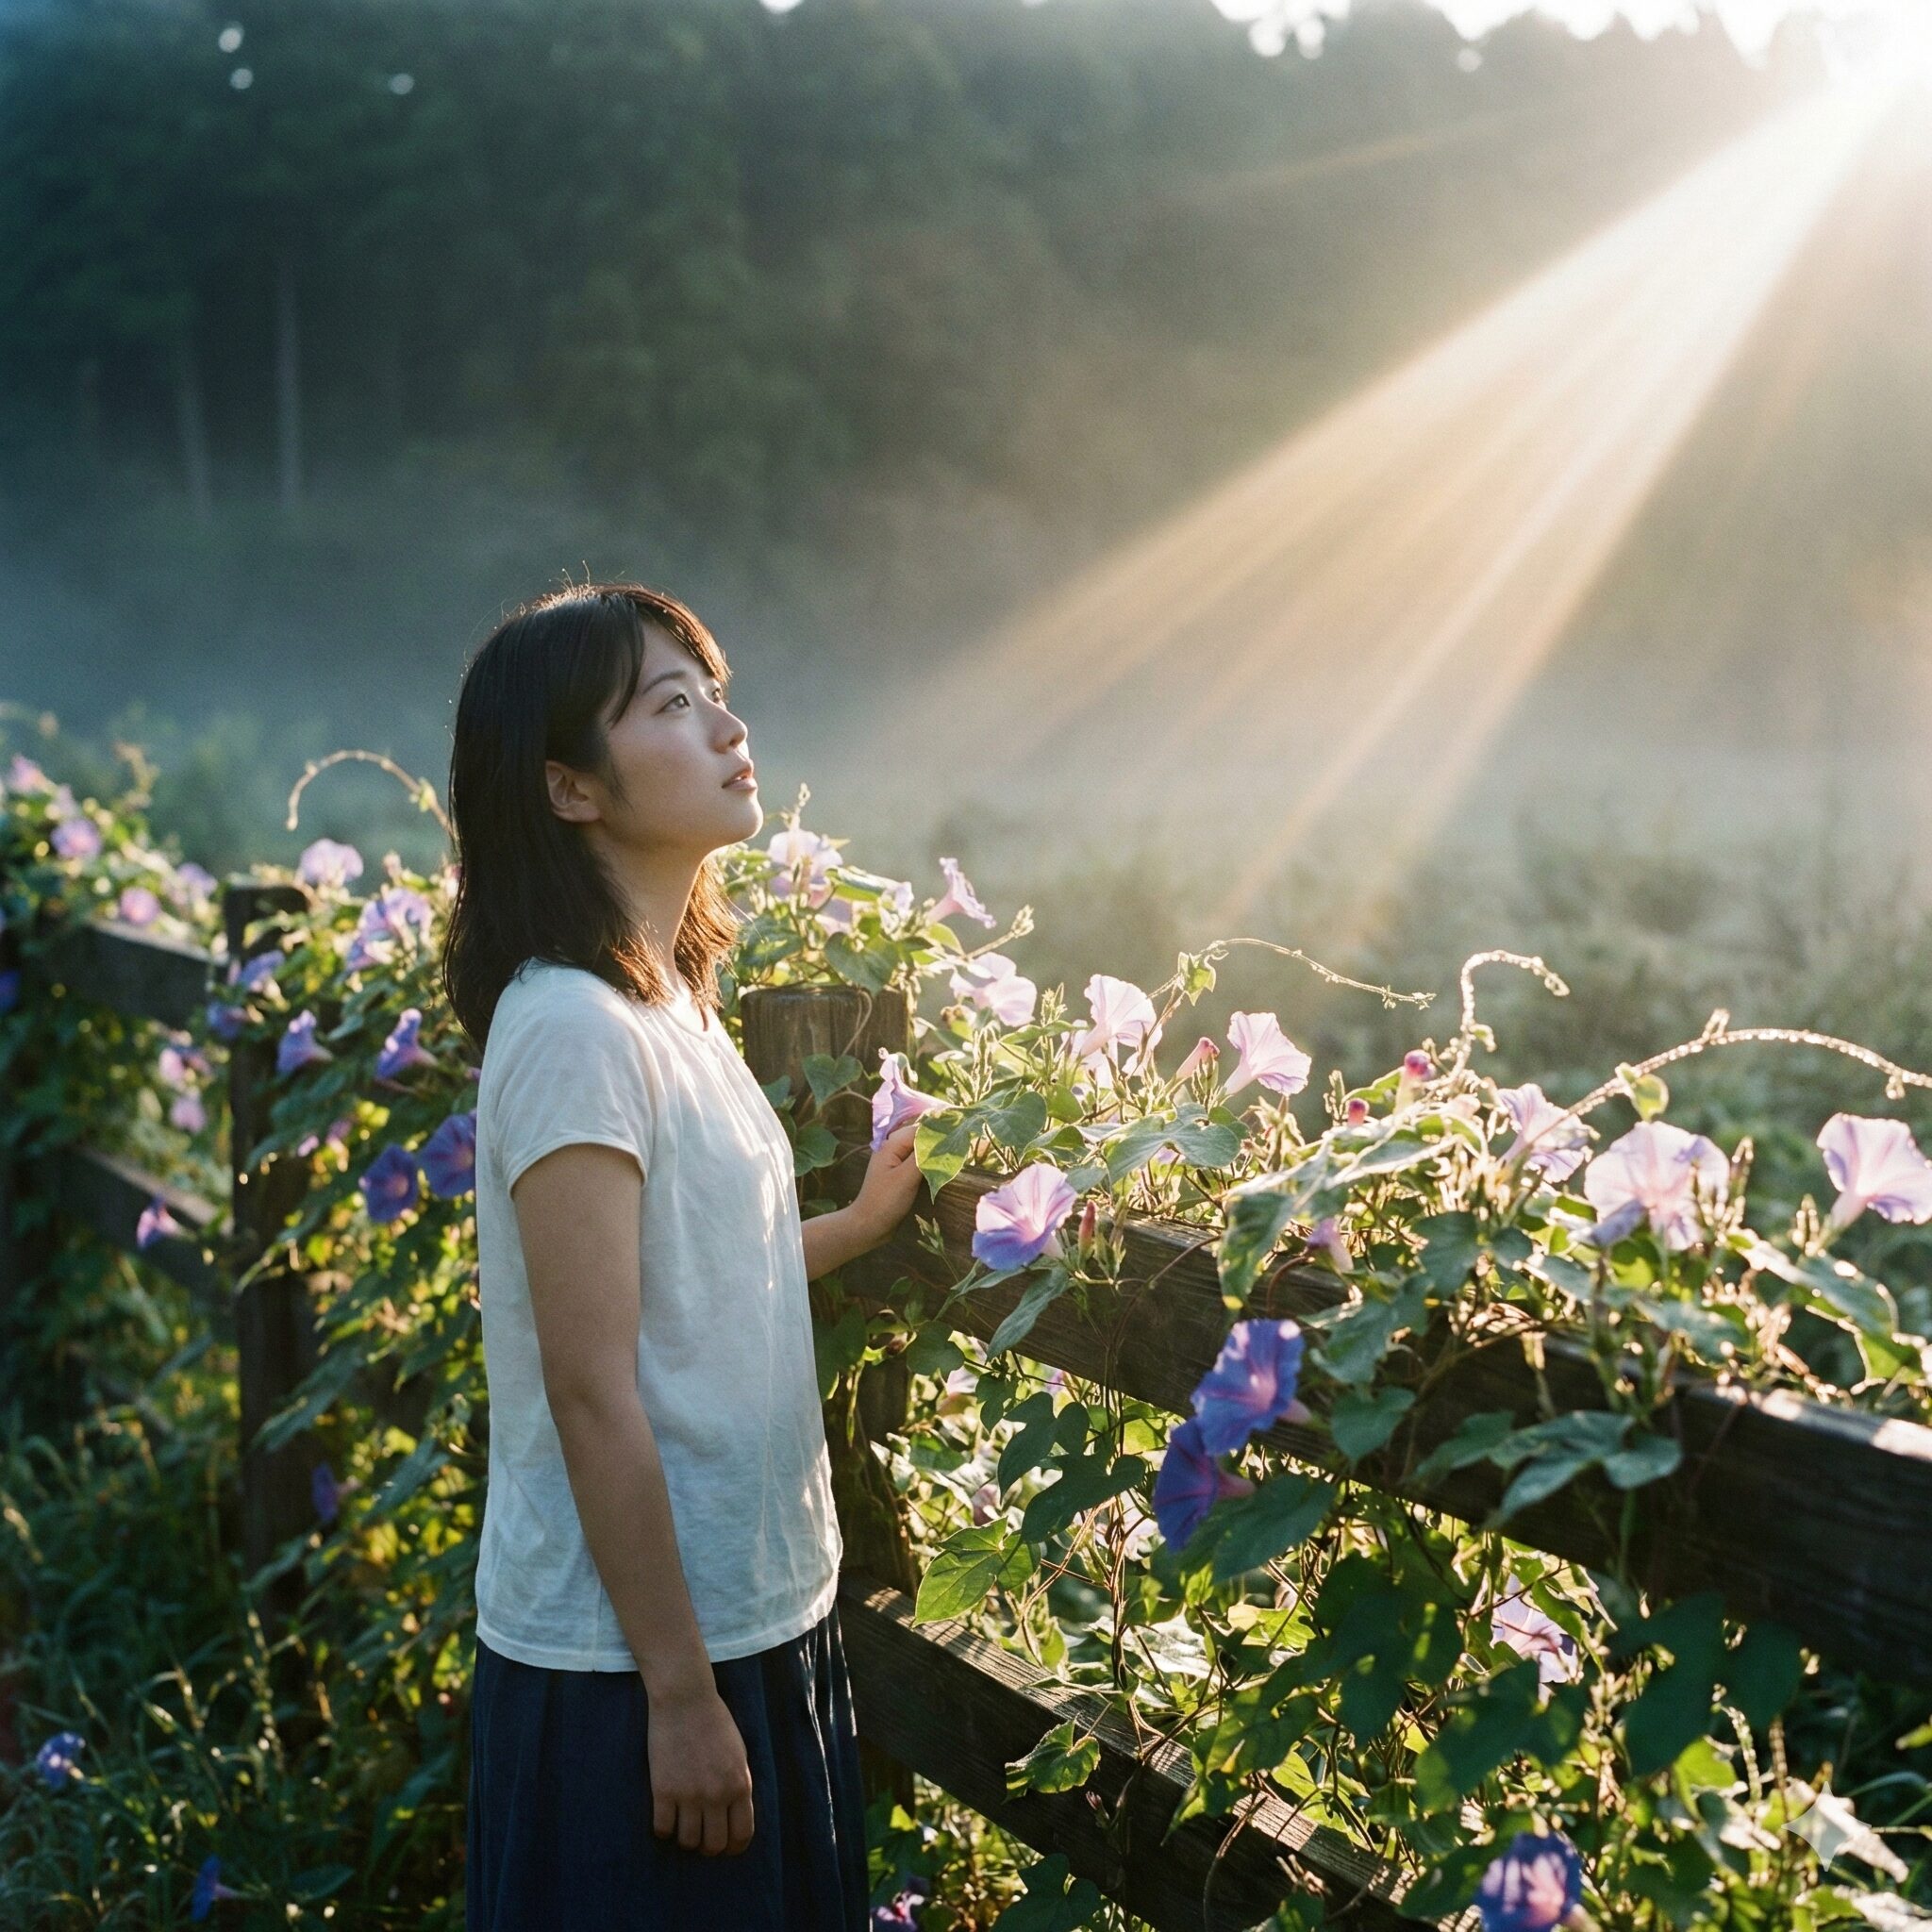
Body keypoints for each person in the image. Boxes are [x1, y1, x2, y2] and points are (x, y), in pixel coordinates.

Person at [441, 582, 924, 1929]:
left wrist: (860, 1228)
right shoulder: (572, 1029)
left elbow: (697, 1283)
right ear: (570, 790)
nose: (728, 724)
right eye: (670, 704)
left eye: (713, 691)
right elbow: (590, 1384)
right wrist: (677, 1693)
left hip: (745, 1615)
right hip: (628, 1667)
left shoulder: (670, 1008)